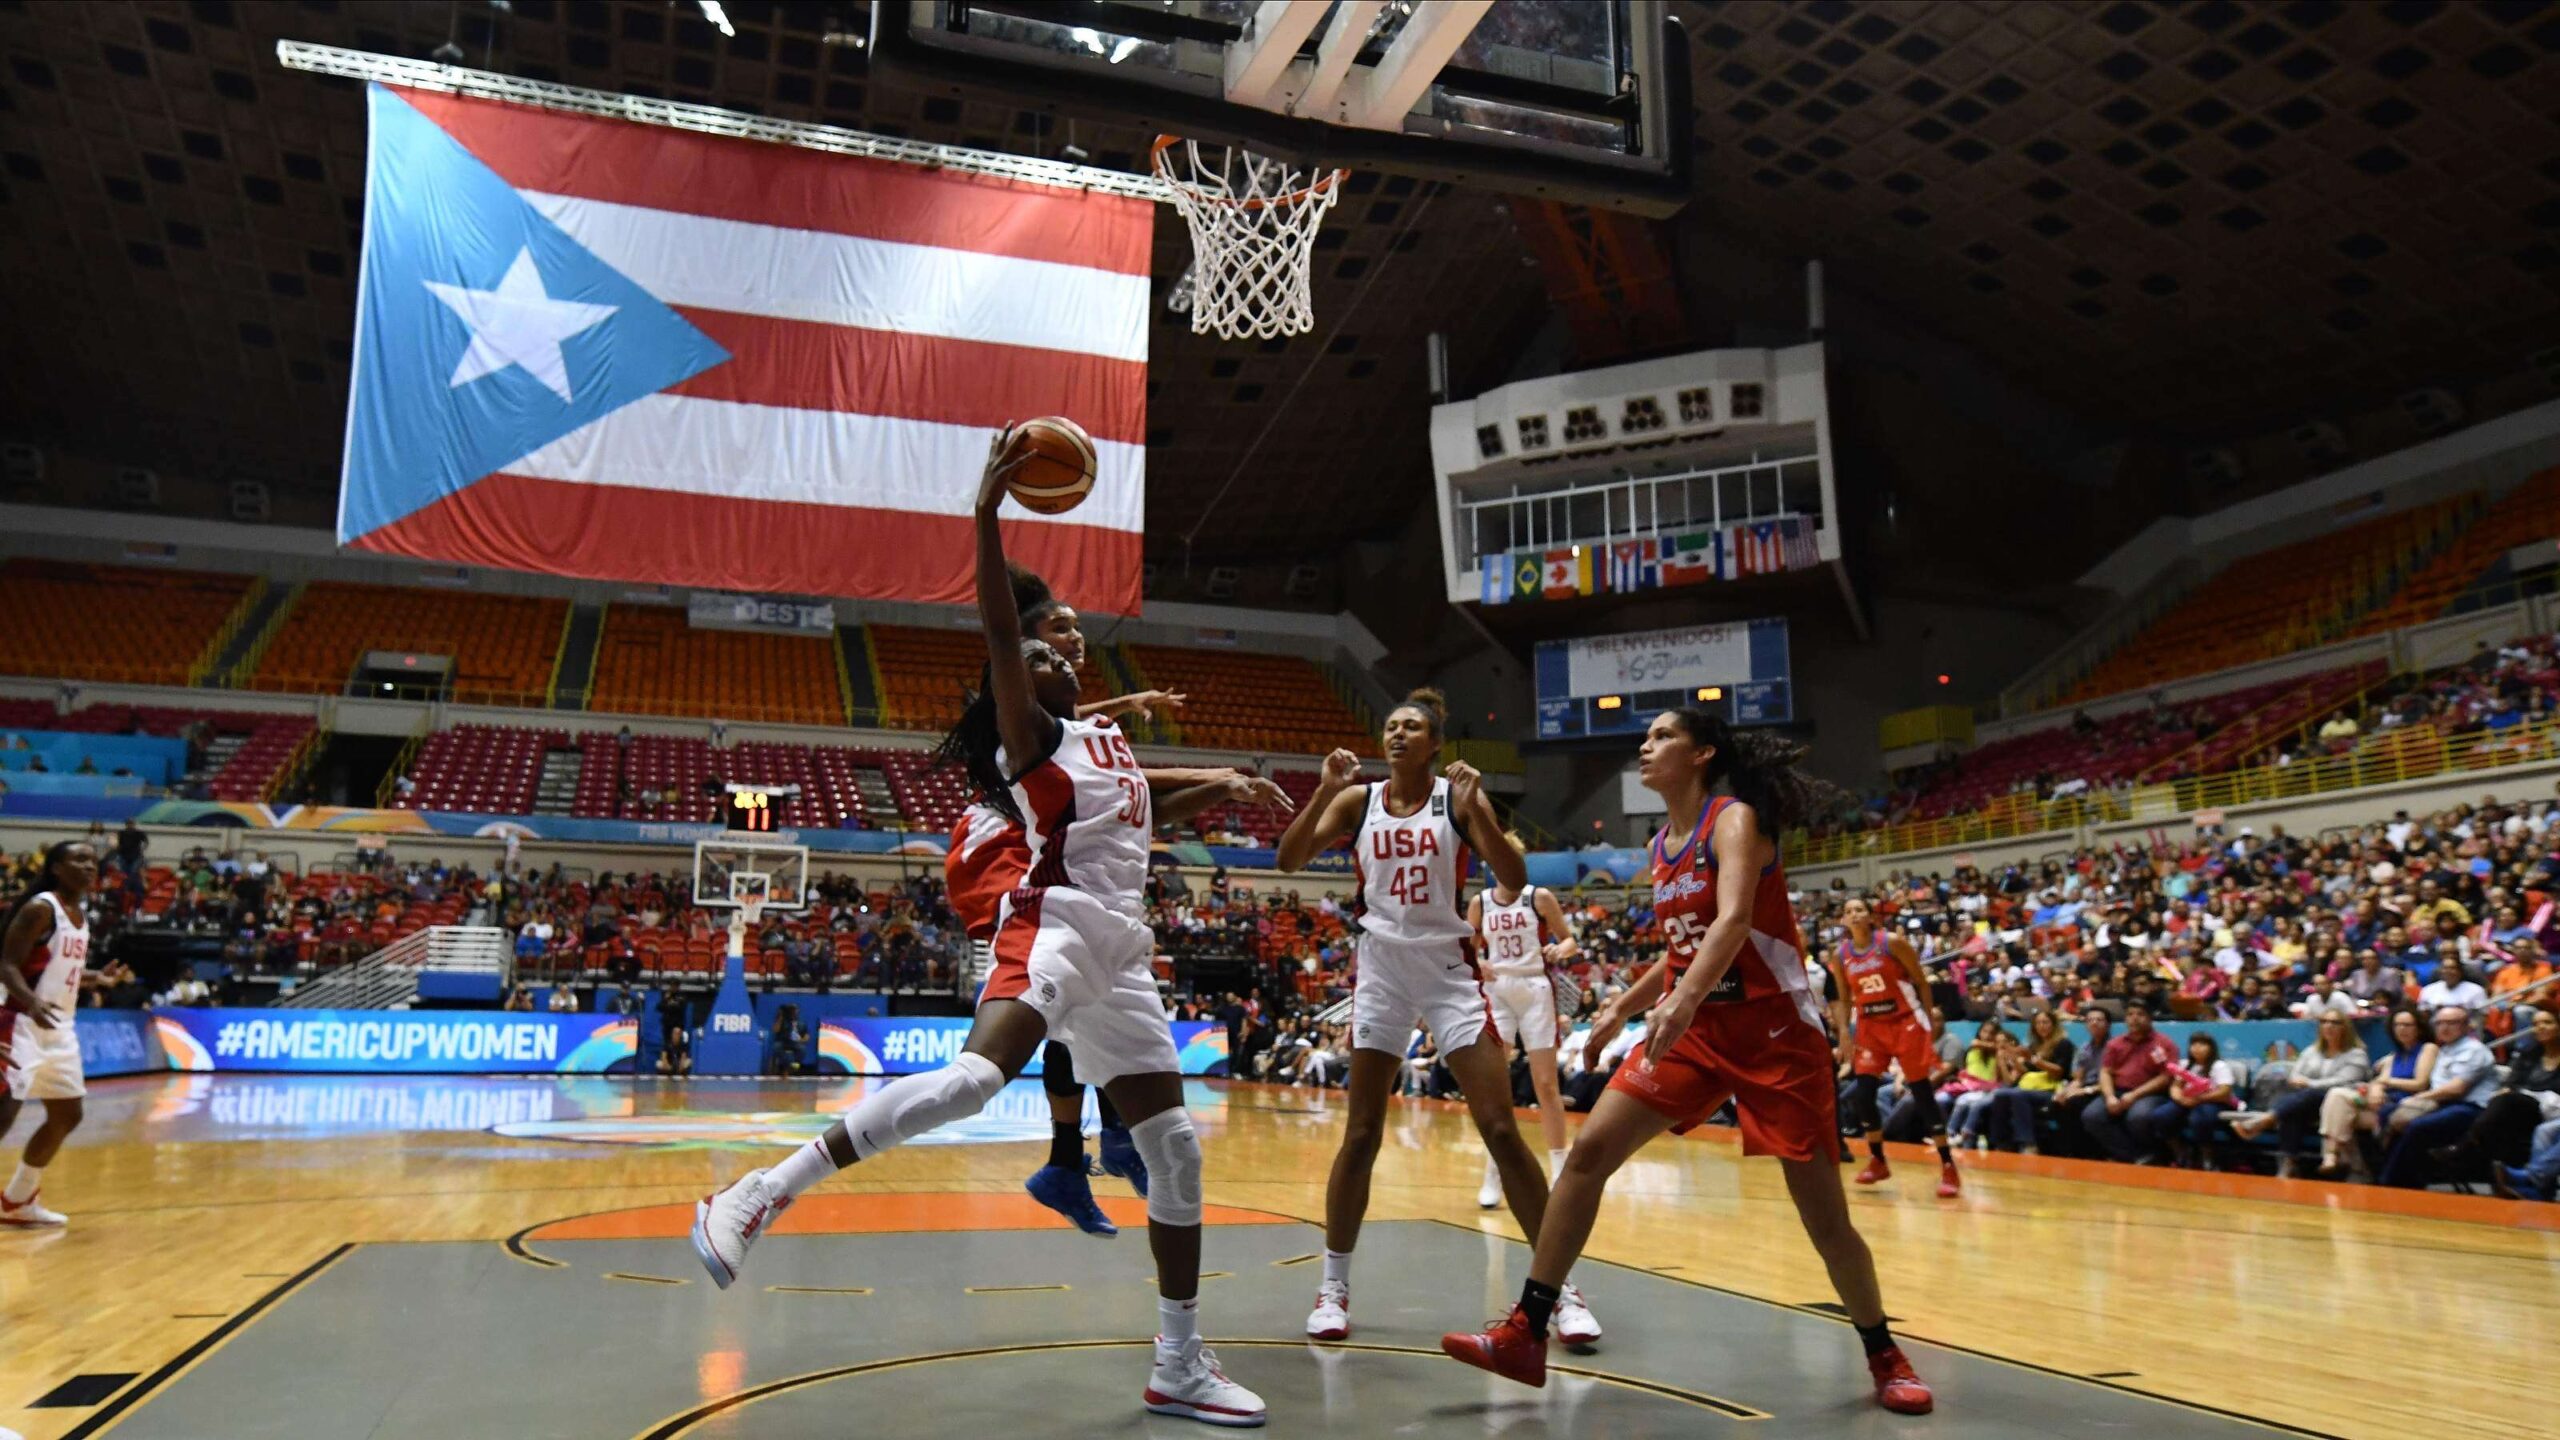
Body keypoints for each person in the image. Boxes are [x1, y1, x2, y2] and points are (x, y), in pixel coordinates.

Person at [692, 430, 1290, 1427]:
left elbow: (1142, 809)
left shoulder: (1104, 742)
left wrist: (1221, 785)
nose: (1055, 650)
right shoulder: (1034, 741)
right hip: (1055, 925)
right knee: (974, 1081)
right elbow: (1004, 637)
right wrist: (985, 513)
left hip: (1121, 954)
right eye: (1040, 646)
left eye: (1063, 643)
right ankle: (759, 1192)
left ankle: (1179, 1364)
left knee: (1177, 1150)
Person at [1439, 708, 1933, 1415]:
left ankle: (1885, 1352)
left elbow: (1733, 921)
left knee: (1825, 1221)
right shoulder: (1660, 846)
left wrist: (1679, 1000)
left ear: (1702, 754)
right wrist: (1622, 1006)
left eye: (1663, 736)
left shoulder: (1733, 820)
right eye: (1647, 737)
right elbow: (1682, 950)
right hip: (1698, 1032)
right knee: (1588, 1155)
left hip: (1774, 1034)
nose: (1646, 746)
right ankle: (1527, 1330)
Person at [1275, 689, 1602, 1349]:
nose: (1397, 734)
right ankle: (1333, 1287)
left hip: (1449, 972)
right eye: (1391, 726)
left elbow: (1514, 875)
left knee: (1501, 1129)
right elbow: (1289, 859)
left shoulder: (1457, 799)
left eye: (1411, 727)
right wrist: (1323, 791)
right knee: (1361, 1132)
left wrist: (1480, 809)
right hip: (1382, 971)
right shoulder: (1357, 800)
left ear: (1433, 745)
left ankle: (1558, 1290)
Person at [942, 564, 1242, 1239]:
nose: (1075, 639)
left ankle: (1068, 1160)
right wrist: (1212, 773)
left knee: (1087, 990)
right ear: (1026, 640)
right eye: (1059, 629)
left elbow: (1111, 767)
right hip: (1000, 846)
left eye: (1077, 629)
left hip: (1031, 843)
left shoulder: (1069, 711)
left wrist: (1128, 705)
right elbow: (1126, 775)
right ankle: (1105, 1143)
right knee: (1078, 982)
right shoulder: (1024, 696)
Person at [1827, 897, 1959, 1196]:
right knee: (1862, 1095)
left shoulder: (1891, 943)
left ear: (1870, 916)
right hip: (1870, 1027)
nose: (1854, 914)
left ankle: (1948, 1166)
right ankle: (1877, 1160)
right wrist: (1845, 1032)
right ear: (1843, 920)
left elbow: (1921, 982)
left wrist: (1927, 1021)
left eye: (1859, 910)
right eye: (1848, 911)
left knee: (1922, 1093)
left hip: (1905, 1022)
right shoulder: (1841, 955)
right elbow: (1845, 998)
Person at [1467, 866, 1580, 1206]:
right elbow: (1466, 949)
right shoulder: (1481, 902)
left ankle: (1560, 1171)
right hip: (1497, 990)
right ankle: (1494, 1172)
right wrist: (1477, 963)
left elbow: (1570, 940)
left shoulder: (1538, 897)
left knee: (1546, 1085)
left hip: (1535, 988)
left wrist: (1561, 950)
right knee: (1496, 1085)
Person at [0, 841, 98, 1228]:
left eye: (92, 861)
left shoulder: (80, 916)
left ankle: (17, 1200)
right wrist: (31, 1002)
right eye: (79, 860)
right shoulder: (41, 908)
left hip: (59, 1027)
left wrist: (97, 978)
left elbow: (57, 968)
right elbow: (7, 965)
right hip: (20, 1022)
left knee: (67, 1114)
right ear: (56, 868)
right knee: (3, 1116)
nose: (89, 866)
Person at [2229, 1013, 2370, 1178]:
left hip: (2339, 1104)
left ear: (2345, 1027)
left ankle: (2266, 1121)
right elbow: (2295, 1074)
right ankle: (2288, 1162)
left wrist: (2310, 1083)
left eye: (2335, 1022)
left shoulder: (2356, 1054)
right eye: (2324, 1021)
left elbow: (2345, 1080)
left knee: (2307, 1096)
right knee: (2292, 1111)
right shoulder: (2312, 1051)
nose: (2328, 1026)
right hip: (2308, 1103)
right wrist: (2300, 1081)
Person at [2428, 1007, 2560, 1182]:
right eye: (2536, 1024)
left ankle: (2465, 1149)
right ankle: (2490, 1170)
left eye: (2547, 1022)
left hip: (2552, 1107)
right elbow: (2512, 1082)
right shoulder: (2529, 1054)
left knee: (2507, 1104)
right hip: (2526, 1107)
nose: (2540, 1027)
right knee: (2502, 1102)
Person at [2377, 1008, 2501, 1188]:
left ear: (2466, 1026)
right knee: (2388, 1112)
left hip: (2468, 1108)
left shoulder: (2474, 1050)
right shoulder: (2445, 1050)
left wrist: (2419, 1097)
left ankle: (2392, 1182)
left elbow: (2456, 1089)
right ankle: (2397, 1177)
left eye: (2451, 1023)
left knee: (2416, 1126)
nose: (2444, 1027)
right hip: (2441, 1104)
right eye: (2440, 1023)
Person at [2319, 1007, 2435, 1181]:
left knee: (2342, 1111)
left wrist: (2385, 1082)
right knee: (2338, 1101)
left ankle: (2347, 1164)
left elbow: (2420, 1083)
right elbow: (2378, 1082)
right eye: (2397, 1025)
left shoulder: (2428, 1049)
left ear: (2418, 1028)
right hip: (2381, 1102)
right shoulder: (2395, 1054)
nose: (2402, 1029)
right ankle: (2337, 1159)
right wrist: (2377, 1089)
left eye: (2407, 1025)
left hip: (2405, 1105)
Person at [2080, 1001, 2182, 1165]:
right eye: (2130, 1014)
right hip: (2118, 1090)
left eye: (2140, 1014)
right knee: (2092, 1116)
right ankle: (2134, 1156)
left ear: (2149, 1018)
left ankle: (2156, 1154)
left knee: (2138, 1116)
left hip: (2150, 1094)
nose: (2134, 1019)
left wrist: (2134, 1095)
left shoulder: (2164, 1044)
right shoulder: (2115, 1043)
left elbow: (2165, 1077)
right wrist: (2110, 1096)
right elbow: (2105, 1072)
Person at [1980, 1008, 2075, 1154]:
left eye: (2045, 1022)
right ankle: (2001, 1142)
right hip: (2032, 1086)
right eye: (2038, 1023)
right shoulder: (2034, 1045)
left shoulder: (2063, 1044)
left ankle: (2027, 1143)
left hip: (2052, 1089)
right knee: (2000, 1094)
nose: (2042, 1026)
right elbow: (2026, 1071)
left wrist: (2032, 1058)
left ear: (2054, 1024)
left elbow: (2059, 1072)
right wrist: (2011, 1057)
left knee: (2018, 1095)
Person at [2163, 1032, 2242, 1170]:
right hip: (2187, 1100)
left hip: (2214, 1101)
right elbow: (2175, 1087)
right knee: (2161, 1116)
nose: (2197, 1048)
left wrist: (2197, 1099)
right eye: (2194, 1044)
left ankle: (2207, 1156)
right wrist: (2179, 1098)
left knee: (2200, 1119)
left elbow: (2224, 1092)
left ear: (2211, 1048)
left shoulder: (2219, 1066)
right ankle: (2180, 1153)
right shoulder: (2185, 1064)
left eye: (2202, 1044)